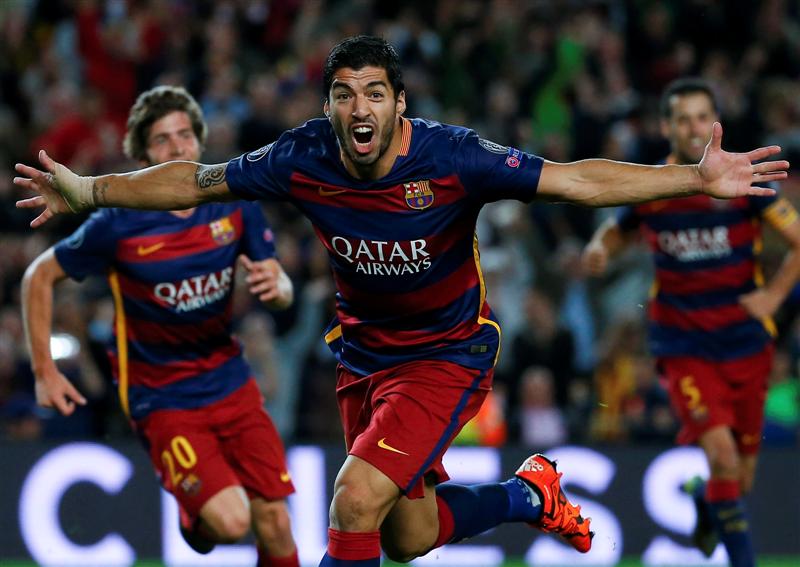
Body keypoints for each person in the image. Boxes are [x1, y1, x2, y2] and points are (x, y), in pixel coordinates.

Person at [14, 37, 789, 566]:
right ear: (329, 106)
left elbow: (575, 179)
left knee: (353, 502)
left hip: (446, 355)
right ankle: (527, 492)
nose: (359, 108)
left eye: (375, 94)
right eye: (344, 94)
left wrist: (692, 177)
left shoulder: (452, 156)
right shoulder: (301, 155)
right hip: (365, 358)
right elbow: (193, 179)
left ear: (399, 104)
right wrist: (87, 190)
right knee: (408, 534)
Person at [20, 86, 300, 567]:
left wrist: (280, 288)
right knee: (233, 523)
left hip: (230, 382)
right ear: (143, 154)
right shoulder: (117, 224)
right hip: (162, 396)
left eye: (185, 136)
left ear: (200, 141)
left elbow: (280, 284)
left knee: (276, 522)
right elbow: (38, 275)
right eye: (163, 140)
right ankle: (195, 518)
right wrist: (45, 369)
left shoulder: (235, 203)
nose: (177, 149)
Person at [582, 77, 800, 567]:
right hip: (683, 345)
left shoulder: (742, 180)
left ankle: (705, 500)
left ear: (714, 121)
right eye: (683, 118)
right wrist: (598, 248)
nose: (694, 126)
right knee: (723, 457)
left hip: (746, 343)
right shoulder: (654, 187)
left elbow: (799, 240)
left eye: (703, 116)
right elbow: (616, 230)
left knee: (737, 480)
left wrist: (774, 296)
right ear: (667, 126)